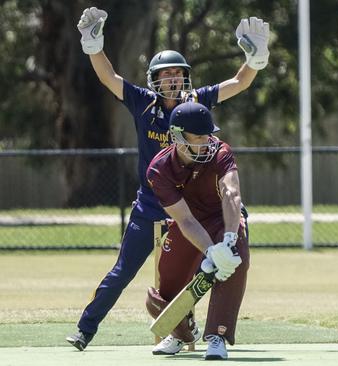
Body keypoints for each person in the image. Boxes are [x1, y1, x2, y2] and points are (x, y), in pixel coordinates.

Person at [66, 6, 270, 351]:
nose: (173, 79)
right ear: (154, 79)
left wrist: (256, 58)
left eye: (179, 73)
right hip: (151, 202)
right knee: (123, 272)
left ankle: (191, 332)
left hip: (190, 205)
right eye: (166, 74)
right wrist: (93, 47)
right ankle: (86, 329)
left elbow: (239, 83)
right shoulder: (143, 103)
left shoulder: (195, 102)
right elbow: (109, 77)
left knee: (202, 265)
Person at [145, 101, 248, 360]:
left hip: (225, 218)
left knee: (236, 262)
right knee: (166, 281)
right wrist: (211, 252)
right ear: (178, 137)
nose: (207, 140)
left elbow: (231, 194)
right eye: (199, 136)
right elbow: (186, 220)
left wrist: (228, 240)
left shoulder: (220, 152)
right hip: (190, 222)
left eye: (208, 134)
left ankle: (217, 336)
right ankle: (181, 332)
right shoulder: (159, 170)